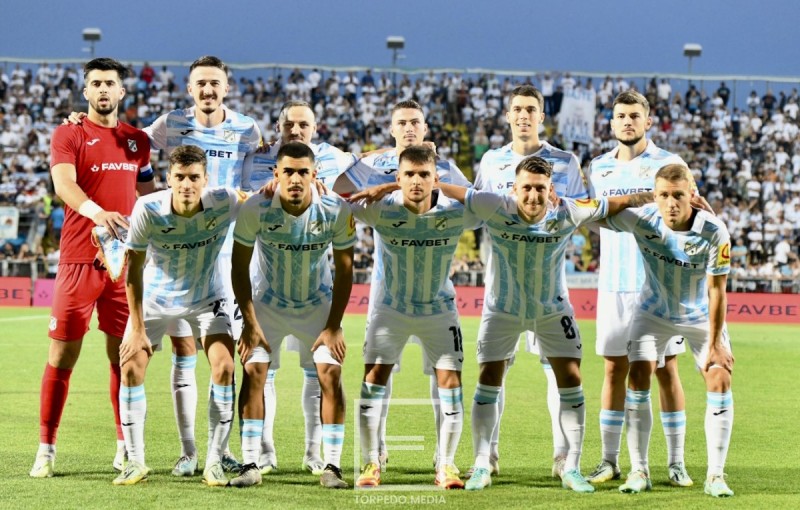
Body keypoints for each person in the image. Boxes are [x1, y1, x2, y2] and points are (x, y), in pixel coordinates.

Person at [65, 55, 262, 475]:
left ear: (226, 87)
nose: (207, 89)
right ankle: (187, 452)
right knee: (182, 352)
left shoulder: (248, 130)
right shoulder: (168, 126)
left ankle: (223, 452)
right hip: (171, 261)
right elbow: (126, 142)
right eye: (200, 83)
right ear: (189, 88)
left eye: (215, 82)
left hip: (222, 259)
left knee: (231, 361)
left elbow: (258, 187)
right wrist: (84, 122)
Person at [437, 156, 653, 492]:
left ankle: (572, 466)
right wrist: (399, 185)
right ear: (514, 188)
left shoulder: (568, 210)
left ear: (551, 189)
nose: (533, 195)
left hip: (552, 311)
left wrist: (652, 195)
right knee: (489, 380)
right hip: (503, 310)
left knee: (571, 379)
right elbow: (450, 189)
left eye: (540, 188)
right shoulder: (494, 205)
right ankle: (481, 463)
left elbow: (614, 203)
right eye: (527, 188)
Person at [30, 57, 155, 478]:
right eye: (96, 83)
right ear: (86, 92)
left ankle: (125, 446)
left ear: (122, 91)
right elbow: (63, 184)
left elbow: (149, 196)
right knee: (62, 354)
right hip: (79, 260)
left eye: (110, 83)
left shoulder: (137, 141)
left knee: (124, 356)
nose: (103, 90)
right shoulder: (69, 133)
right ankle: (46, 448)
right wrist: (97, 213)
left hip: (125, 265)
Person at [114, 145, 264, 487]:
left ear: (205, 179)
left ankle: (213, 461)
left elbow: (261, 200)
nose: (186, 185)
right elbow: (133, 272)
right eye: (179, 177)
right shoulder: (148, 208)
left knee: (224, 367)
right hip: (156, 298)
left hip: (207, 296)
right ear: (168, 178)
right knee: (131, 366)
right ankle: (135, 462)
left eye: (194, 177)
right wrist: (137, 328)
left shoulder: (225, 200)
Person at [334, 99, 471, 473]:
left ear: (425, 128)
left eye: (415, 122)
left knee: (441, 375)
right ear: (391, 129)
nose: (409, 127)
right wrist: (382, 177)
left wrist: (426, 181)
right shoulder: (374, 164)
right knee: (381, 372)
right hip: (387, 288)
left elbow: (474, 200)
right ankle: (375, 452)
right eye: (402, 123)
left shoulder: (445, 167)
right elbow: (338, 190)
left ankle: (444, 457)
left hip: (434, 288)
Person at [472, 84, 589, 479]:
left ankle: (562, 456)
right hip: (501, 282)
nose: (524, 116)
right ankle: (488, 455)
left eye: (531, 110)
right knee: (495, 369)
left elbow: (581, 211)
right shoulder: (491, 161)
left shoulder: (566, 162)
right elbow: (477, 208)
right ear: (508, 115)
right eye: (517, 109)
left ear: (542, 116)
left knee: (557, 370)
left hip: (548, 285)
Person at [605, 164, 735, 498]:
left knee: (719, 377)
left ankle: (715, 476)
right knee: (638, 376)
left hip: (700, 317)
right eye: (663, 195)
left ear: (692, 194)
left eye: (678, 195)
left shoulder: (714, 231)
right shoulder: (643, 218)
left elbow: (717, 291)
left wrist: (716, 344)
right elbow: (596, 213)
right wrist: (632, 198)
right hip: (653, 313)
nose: (671, 203)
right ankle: (639, 470)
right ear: (655, 195)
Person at [241, 100, 356, 475]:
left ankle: (321, 458)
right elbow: (238, 262)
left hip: (315, 298)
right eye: (287, 171)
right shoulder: (256, 183)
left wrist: (335, 324)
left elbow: (345, 269)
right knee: (258, 372)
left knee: (324, 373)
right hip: (268, 296)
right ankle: (258, 457)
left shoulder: (335, 187)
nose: (296, 129)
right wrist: (249, 321)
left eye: (302, 172)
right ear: (275, 171)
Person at [584, 90, 692, 487]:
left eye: (634, 115)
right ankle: (609, 460)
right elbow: (595, 217)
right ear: (611, 122)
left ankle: (676, 462)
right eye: (620, 116)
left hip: (658, 285)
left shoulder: (669, 163)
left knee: (666, 369)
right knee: (614, 369)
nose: (627, 121)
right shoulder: (598, 168)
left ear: (648, 121)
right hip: (613, 284)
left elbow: (688, 215)